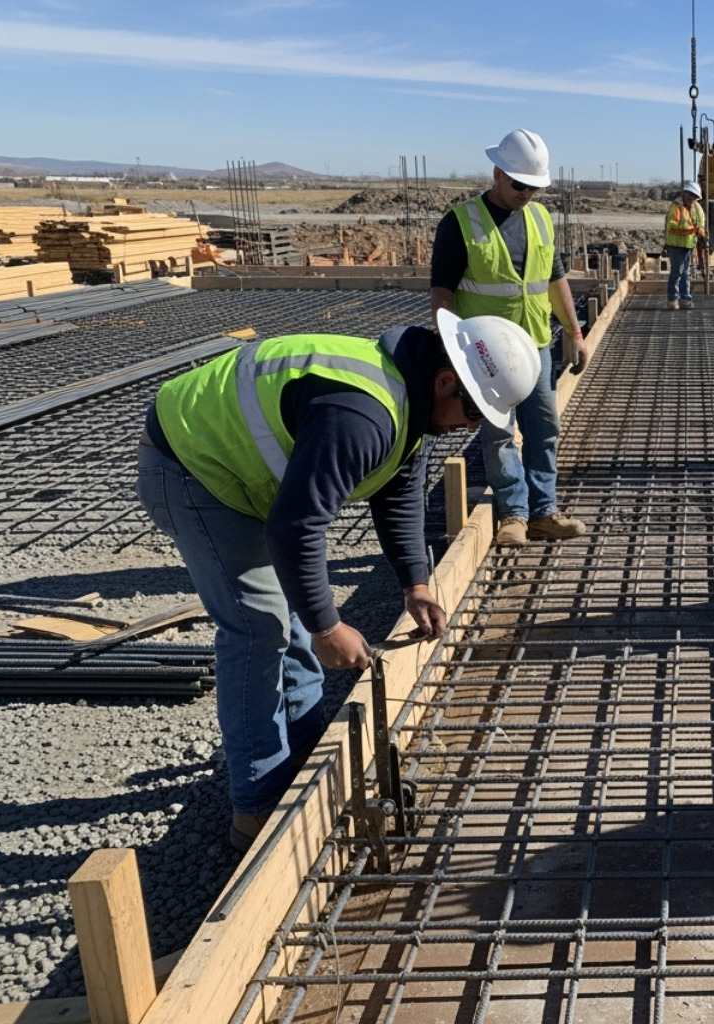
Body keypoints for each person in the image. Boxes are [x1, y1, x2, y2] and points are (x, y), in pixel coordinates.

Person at [135, 312, 541, 850]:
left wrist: (416, 582)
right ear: (446, 381)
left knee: (295, 622)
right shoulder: (363, 413)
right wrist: (328, 625)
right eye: (471, 411)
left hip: (243, 470)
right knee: (259, 628)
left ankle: (301, 758)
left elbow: (397, 494)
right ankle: (256, 808)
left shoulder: (411, 402)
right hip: (193, 463)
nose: (469, 427)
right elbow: (296, 525)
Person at [430, 128, 589, 547]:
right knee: (499, 434)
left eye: (535, 187)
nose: (527, 194)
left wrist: (574, 331)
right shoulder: (460, 223)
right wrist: (450, 347)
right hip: (486, 354)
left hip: (535, 346)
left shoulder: (538, 218)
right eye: (520, 184)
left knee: (545, 428)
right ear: (497, 173)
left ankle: (544, 511)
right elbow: (442, 291)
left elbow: (554, 279)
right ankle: (513, 514)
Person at [664, 181, 708, 310]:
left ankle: (685, 298)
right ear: (685, 193)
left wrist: (702, 234)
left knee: (686, 273)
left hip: (688, 245)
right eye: (690, 195)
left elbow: (699, 223)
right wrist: (690, 229)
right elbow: (672, 225)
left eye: (694, 197)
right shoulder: (676, 207)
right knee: (677, 271)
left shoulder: (696, 208)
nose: (692, 199)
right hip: (675, 244)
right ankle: (672, 299)